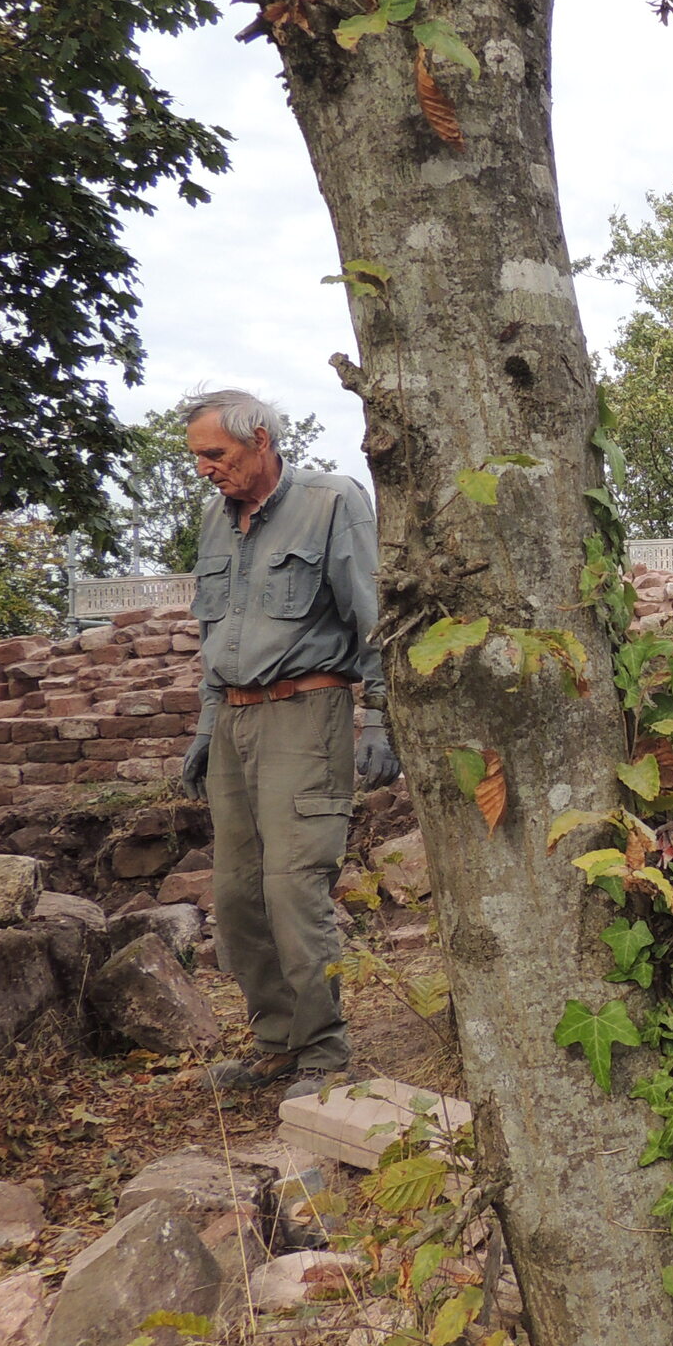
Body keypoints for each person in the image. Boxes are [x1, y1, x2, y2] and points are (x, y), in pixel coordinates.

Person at [175, 390, 400, 1097]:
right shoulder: (215, 520)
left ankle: (325, 1055)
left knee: (294, 889)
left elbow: (374, 615)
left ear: (261, 440)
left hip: (306, 713)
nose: (205, 469)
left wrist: (380, 717)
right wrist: (206, 728)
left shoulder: (331, 501)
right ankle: (276, 1044)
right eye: (198, 458)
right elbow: (215, 633)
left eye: (216, 454)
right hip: (233, 723)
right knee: (238, 899)